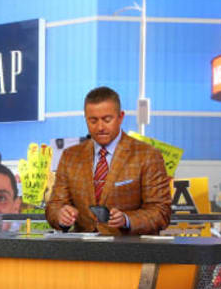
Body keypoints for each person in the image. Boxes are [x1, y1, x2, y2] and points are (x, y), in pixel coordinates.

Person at [45, 86, 170, 235]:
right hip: (83, 253)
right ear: (85, 119)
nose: (100, 127)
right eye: (93, 120)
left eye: (107, 119)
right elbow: (54, 205)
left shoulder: (147, 155)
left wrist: (126, 219)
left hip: (130, 251)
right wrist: (60, 215)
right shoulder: (70, 156)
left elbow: (161, 212)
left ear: (121, 117)